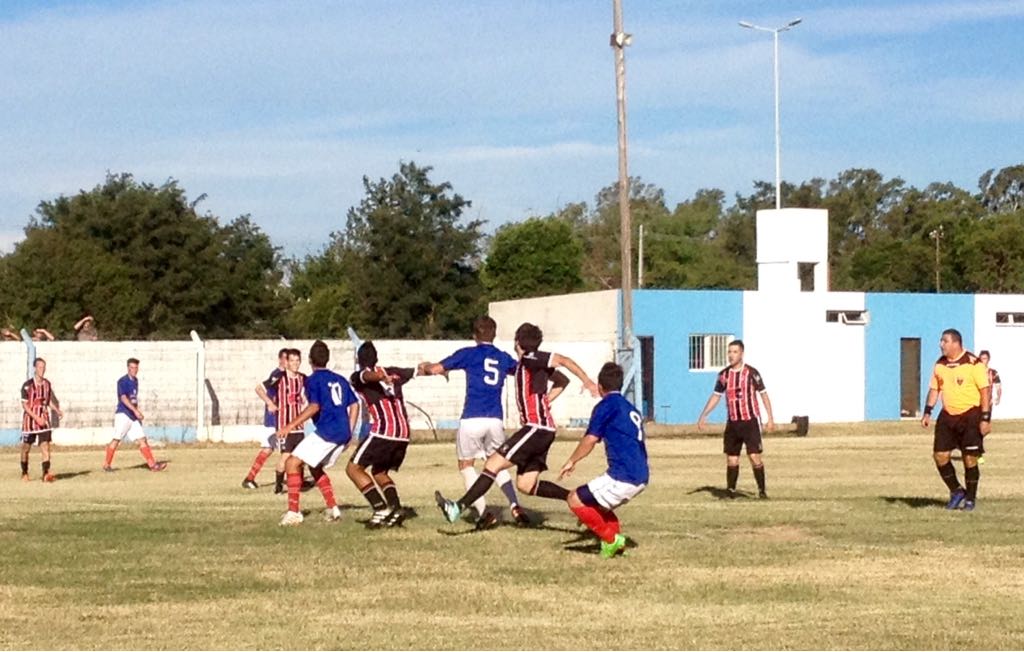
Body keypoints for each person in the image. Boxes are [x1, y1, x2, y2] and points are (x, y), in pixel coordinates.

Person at [435, 322, 599, 524]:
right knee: (526, 485)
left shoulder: (531, 358)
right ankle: (579, 501)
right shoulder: (526, 365)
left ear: (517, 342)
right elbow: (562, 381)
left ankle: (457, 507)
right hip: (542, 429)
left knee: (493, 464)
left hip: (536, 428)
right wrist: (545, 400)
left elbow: (563, 361)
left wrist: (587, 381)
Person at [418, 316, 528, 528]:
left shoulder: (468, 354)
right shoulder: (502, 357)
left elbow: (435, 369)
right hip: (495, 419)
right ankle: (515, 506)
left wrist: (425, 366)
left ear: (474, 335)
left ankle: (485, 512)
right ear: (494, 334)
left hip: (472, 418)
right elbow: (521, 371)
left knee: (466, 465)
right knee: (497, 464)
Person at [559, 362, 648, 559]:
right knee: (598, 506)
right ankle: (615, 545)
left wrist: (571, 461)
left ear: (600, 386)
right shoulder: (630, 407)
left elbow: (590, 439)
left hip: (623, 475)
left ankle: (611, 539)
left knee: (574, 499)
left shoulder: (605, 406)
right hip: (640, 474)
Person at [276, 340, 360, 526]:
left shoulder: (312, 380)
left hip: (327, 431)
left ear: (310, 360)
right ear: (327, 359)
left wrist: (290, 426)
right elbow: (354, 404)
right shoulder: (339, 379)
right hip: (342, 432)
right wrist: (350, 430)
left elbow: (314, 406)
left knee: (291, 462)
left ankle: (294, 513)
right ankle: (333, 508)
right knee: (314, 467)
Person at [347, 341, 420, 528]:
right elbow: (419, 370)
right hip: (403, 434)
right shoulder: (393, 372)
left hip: (384, 431)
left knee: (353, 469)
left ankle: (380, 508)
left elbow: (366, 375)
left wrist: (378, 376)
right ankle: (395, 509)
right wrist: (437, 369)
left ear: (358, 359)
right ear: (377, 357)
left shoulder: (358, 376)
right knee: (379, 472)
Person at [921, 329, 990, 511]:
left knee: (970, 459)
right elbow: (935, 389)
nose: (940, 344)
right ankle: (957, 491)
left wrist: (985, 418)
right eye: (941, 341)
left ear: (956, 343)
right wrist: (928, 411)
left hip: (971, 415)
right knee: (940, 456)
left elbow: (985, 391)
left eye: (944, 341)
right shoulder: (940, 364)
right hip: (948, 415)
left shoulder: (973, 363)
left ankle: (970, 499)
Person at [696, 340, 775, 499]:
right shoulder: (724, 375)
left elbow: (763, 394)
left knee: (754, 456)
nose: (731, 355)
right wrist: (704, 415)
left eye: (735, 352)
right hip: (733, 423)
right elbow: (716, 396)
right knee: (732, 459)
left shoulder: (752, 373)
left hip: (750, 421)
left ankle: (762, 491)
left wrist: (770, 418)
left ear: (742, 354)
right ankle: (730, 491)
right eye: (729, 352)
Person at [102, 358, 167, 472]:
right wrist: (135, 411)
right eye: (132, 367)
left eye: (136, 368)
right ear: (128, 368)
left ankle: (153, 465)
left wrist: (136, 413)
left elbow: (133, 399)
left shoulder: (136, 381)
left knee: (142, 439)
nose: (134, 370)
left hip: (132, 416)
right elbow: (123, 398)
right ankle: (106, 465)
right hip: (123, 414)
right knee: (116, 440)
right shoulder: (122, 381)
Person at [242, 348, 288, 490]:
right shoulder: (278, 375)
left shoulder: (286, 375)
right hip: (275, 420)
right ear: (280, 359)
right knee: (288, 450)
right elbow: (259, 388)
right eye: (288, 359)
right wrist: (270, 403)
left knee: (270, 449)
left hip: (280, 419)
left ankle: (250, 478)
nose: (291, 362)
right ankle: (292, 480)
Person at [20, 358, 64, 482]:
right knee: (25, 448)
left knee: (45, 446)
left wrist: (56, 410)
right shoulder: (27, 386)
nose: (42, 369)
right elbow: (25, 405)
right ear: (35, 368)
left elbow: (48, 400)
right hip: (30, 421)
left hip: (44, 419)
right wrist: (36, 418)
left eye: (43, 367)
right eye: (40, 367)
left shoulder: (47, 384)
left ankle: (46, 474)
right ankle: (24, 472)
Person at [977, 350, 1001, 464]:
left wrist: (998, 397)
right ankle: (978, 452)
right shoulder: (976, 372)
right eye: (981, 359)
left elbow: (998, 386)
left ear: (988, 360)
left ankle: (977, 447)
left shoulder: (992, 373)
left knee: (985, 428)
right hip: (976, 404)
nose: (983, 361)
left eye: (985, 359)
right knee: (977, 427)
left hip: (988, 404)